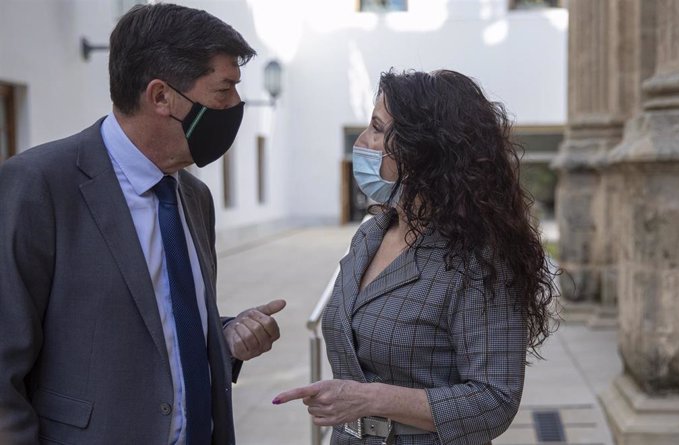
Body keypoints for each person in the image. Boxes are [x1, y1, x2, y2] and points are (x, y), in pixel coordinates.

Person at [0, 4, 285, 444]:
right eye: (224, 91)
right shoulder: (39, 186)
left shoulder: (194, 196)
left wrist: (224, 335)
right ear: (160, 97)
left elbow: (158, 324)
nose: (235, 107)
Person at [273, 69, 558, 444]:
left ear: (422, 149)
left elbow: (494, 401)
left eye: (376, 128)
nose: (362, 141)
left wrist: (371, 399)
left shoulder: (480, 259)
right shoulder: (370, 235)